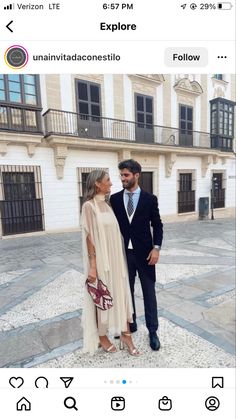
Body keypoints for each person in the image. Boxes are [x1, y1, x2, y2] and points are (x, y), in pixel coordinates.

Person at [81, 169, 140, 356]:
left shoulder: (108, 205)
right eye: (108, 180)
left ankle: (125, 334)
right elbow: (89, 237)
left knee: (120, 294)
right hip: (101, 260)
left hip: (116, 258)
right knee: (103, 297)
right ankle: (102, 336)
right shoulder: (89, 207)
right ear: (98, 183)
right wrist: (92, 265)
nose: (112, 184)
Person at [110, 159, 163, 351]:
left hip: (146, 254)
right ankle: (130, 325)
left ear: (136, 175)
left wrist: (156, 248)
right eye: (121, 175)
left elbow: (157, 225)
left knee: (149, 294)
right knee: (126, 292)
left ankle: (153, 331)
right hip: (123, 254)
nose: (122, 178)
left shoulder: (150, 199)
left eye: (126, 175)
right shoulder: (114, 199)